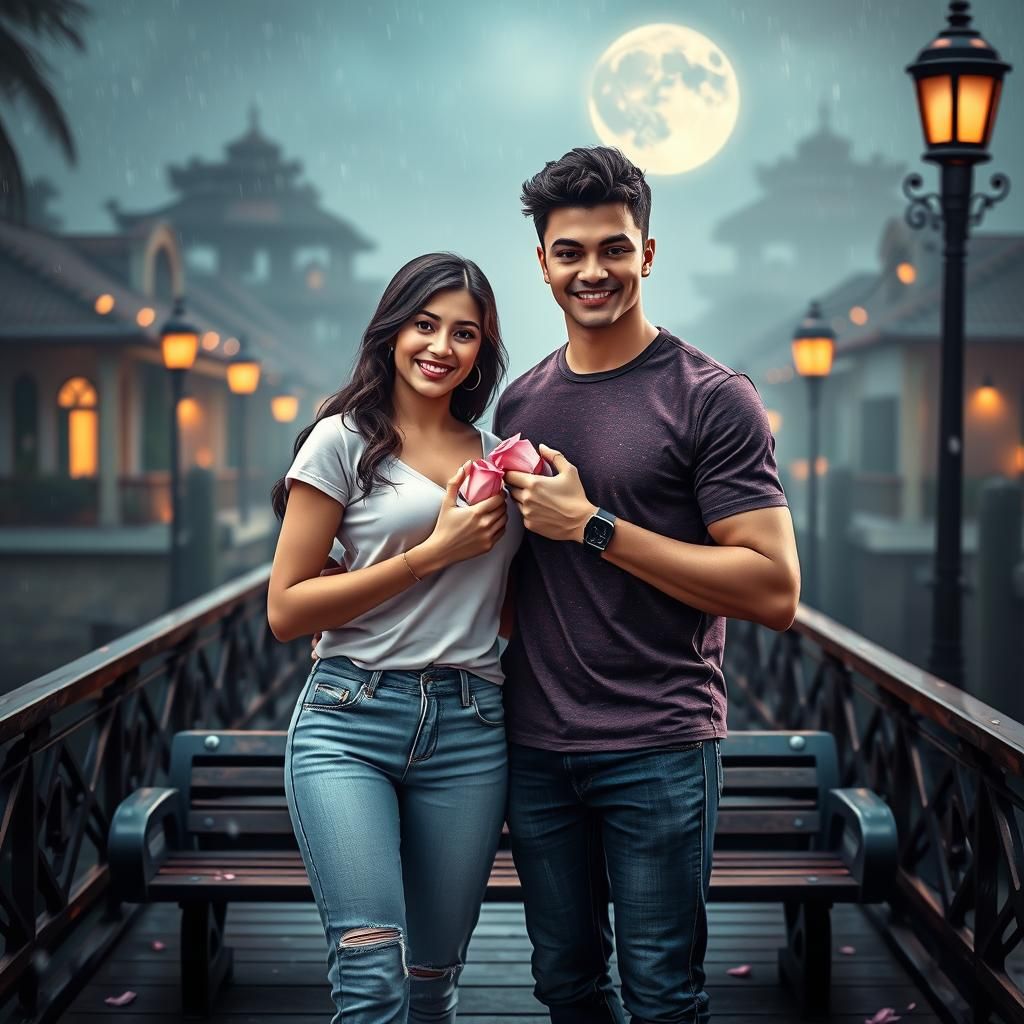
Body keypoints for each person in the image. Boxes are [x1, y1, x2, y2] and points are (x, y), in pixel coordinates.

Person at [492, 146, 801, 1024]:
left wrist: (594, 526)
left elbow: (774, 590)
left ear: (649, 254)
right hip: (537, 748)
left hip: (659, 744)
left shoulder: (712, 397)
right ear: (543, 262)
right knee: (567, 988)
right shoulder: (519, 405)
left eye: (615, 248)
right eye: (571, 251)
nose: (594, 271)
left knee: (664, 997)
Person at [267, 251, 523, 1024]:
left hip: (471, 728)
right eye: (425, 324)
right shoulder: (341, 442)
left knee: (429, 983)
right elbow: (287, 609)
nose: (442, 346)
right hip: (350, 717)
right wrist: (429, 555)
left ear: (483, 351)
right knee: (371, 976)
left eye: (465, 333)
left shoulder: (497, 459)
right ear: (391, 330)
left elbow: (502, 608)